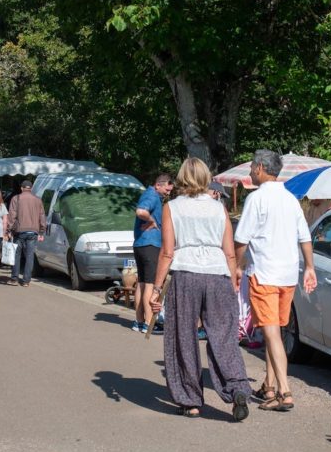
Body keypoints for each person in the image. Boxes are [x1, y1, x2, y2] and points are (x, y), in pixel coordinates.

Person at [149, 158, 250, 421]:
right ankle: (237, 388)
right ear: (206, 178)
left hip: (186, 274)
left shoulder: (172, 207)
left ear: (182, 178)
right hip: (217, 274)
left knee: (183, 336)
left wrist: (156, 288)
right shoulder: (219, 208)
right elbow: (230, 252)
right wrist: (232, 283)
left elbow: (168, 252)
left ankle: (190, 399)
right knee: (223, 336)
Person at [233, 149, 317, 412]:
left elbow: (240, 239)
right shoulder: (291, 199)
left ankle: (284, 391)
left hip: (265, 273)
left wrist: (236, 267)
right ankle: (268, 385)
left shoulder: (256, 199)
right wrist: (310, 268)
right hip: (288, 274)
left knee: (270, 331)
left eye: (250, 169)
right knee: (276, 333)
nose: (249, 173)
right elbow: (305, 237)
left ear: (259, 168)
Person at [132, 173, 173, 332]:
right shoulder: (153, 196)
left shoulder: (147, 194)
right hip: (150, 245)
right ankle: (149, 323)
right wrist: (152, 221)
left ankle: (139, 321)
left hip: (140, 244)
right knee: (150, 284)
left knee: (141, 284)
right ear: (158, 185)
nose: (167, 194)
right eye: (167, 190)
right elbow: (141, 211)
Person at [6, 179, 46, 287]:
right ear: (31, 188)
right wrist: (42, 231)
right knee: (29, 256)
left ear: (21, 188)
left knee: (16, 254)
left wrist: (8, 230)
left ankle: (14, 278)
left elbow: (12, 215)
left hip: (19, 231)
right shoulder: (38, 200)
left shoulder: (16, 198)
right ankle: (26, 281)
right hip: (33, 231)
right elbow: (42, 216)